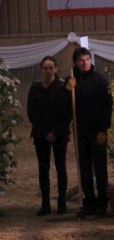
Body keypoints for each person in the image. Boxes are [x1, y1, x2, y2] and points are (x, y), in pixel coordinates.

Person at [66, 47, 112, 218]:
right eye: (81, 60)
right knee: (84, 168)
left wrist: (103, 130)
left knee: (100, 168)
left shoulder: (100, 80)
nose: (84, 62)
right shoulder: (71, 80)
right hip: (80, 131)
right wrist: (67, 89)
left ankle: (102, 203)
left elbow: (107, 106)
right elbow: (66, 104)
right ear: (76, 62)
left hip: (97, 131)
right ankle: (89, 203)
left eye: (87, 59)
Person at [27, 56, 71, 216]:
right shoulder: (35, 88)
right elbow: (32, 112)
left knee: (61, 167)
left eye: (51, 67)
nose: (48, 71)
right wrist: (45, 132)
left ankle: (62, 202)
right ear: (41, 69)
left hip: (60, 134)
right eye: (45, 68)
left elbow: (68, 112)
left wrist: (55, 132)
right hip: (41, 134)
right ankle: (45, 203)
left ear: (56, 69)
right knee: (43, 168)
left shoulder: (64, 87)